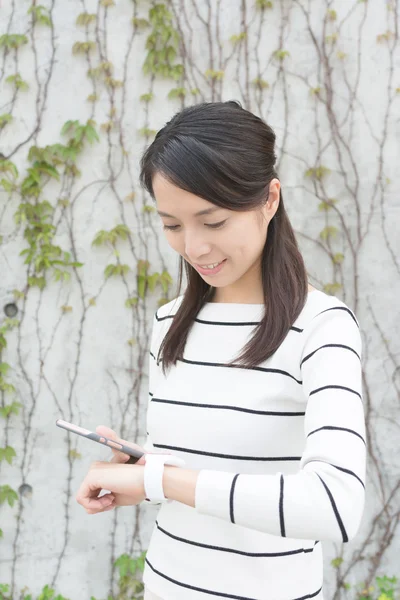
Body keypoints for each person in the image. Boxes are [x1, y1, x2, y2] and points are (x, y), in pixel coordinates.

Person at [76, 101, 366, 600]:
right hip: (168, 586)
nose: (194, 247)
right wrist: (139, 473)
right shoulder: (169, 323)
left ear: (269, 200)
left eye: (212, 222)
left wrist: (163, 481)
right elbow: (196, 475)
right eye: (172, 225)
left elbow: (334, 505)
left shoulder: (322, 328)